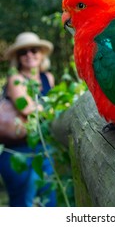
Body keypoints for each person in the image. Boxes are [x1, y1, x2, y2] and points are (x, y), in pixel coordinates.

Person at [0, 32, 56, 207]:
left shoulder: (48, 78)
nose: (29, 55)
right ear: (18, 58)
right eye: (23, 52)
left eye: (34, 50)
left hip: (44, 147)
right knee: (23, 204)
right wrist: (55, 110)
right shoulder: (15, 79)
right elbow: (28, 109)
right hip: (18, 151)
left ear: (41, 54)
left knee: (49, 199)